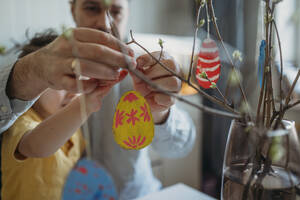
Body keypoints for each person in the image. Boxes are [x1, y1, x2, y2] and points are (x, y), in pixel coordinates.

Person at [0, 0, 196, 199]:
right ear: (73, 10)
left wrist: (160, 110)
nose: (104, 22)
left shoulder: (146, 70)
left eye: (116, 11)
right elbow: (35, 145)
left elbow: (180, 146)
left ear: (128, 12)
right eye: (92, 8)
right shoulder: (49, 71)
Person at [1, 31, 127, 200]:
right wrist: (85, 103)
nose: (72, 92)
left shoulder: (72, 127)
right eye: (62, 83)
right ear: (35, 85)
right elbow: (37, 146)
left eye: (77, 82)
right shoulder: (21, 120)